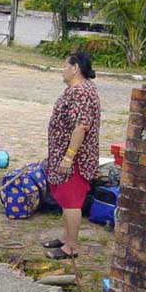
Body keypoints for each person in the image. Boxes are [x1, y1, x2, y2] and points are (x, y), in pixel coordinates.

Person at [44, 52, 100, 260]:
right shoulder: (74, 90)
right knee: (64, 198)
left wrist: (68, 157)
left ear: (75, 68)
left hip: (76, 158)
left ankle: (71, 247)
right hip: (62, 153)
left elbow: (81, 127)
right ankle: (66, 238)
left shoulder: (82, 92)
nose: (62, 69)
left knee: (72, 201)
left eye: (64, 65)